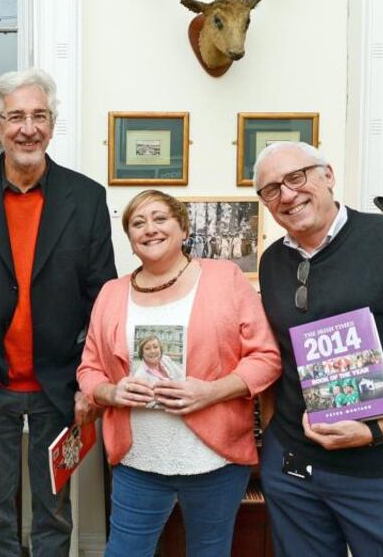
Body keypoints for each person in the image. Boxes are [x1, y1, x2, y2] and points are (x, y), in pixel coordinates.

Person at [0, 67, 116, 556]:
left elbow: (102, 294)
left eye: (38, 116)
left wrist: (88, 375)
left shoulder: (88, 197)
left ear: (52, 125)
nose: (27, 128)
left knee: (54, 510)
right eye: (15, 117)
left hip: (60, 382)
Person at [253, 141, 383, 557]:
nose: (287, 195)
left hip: (381, 470)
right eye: (271, 189)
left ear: (327, 175)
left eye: (296, 177)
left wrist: (375, 429)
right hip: (294, 469)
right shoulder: (272, 260)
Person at [77, 189, 281, 557]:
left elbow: (266, 358)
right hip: (137, 460)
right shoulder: (111, 292)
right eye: (138, 223)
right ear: (131, 241)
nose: (149, 228)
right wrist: (112, 392)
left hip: (215, 460)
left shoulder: (225, 278)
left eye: (160, 218)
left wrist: (211, 391)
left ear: (183, 229)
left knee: (210, 551)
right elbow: (89, 369)